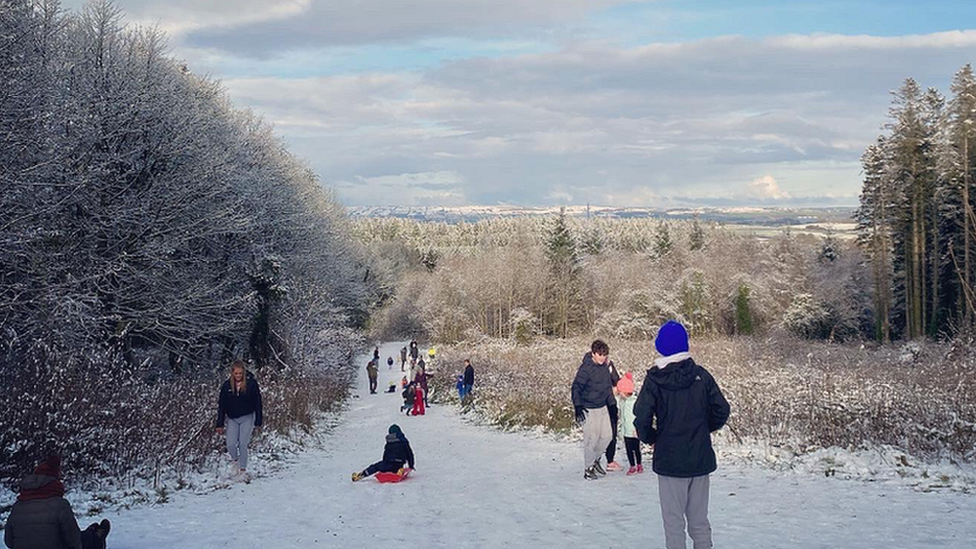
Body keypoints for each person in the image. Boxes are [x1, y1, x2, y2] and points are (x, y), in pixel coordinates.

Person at [634, 320, 730, 549]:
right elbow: (722, 410)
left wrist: (652, 438)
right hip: (699, 458)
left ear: (661, 347)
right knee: (699, 521)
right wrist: (703, 429)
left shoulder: (654, 379)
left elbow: (641, 417)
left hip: (670, 460)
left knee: (674, 523)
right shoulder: (701, 375)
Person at [4, 455, 112, 549]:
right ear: (54, 483)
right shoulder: (60, 505)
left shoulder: (17, 506)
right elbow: (74, 541)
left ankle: (92, 532)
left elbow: (9, 542)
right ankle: (96, 537)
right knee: (84, 539)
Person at [571, 339, 615, 480]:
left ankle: (596, 460)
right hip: (588, 408)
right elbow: (576, 387)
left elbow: (608, 387)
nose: (603, 357)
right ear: (593, 353)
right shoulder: (586, 368)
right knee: (592, 440)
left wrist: (612, 405)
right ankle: (588, 468)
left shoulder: (604, 367)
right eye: (600, 354)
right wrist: (577, 406)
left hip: (602, 407)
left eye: (605, 355)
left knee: (607, 436)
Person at [216, 360, 263, 483]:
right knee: (231, 444)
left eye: (240, 373)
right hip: (232, 418)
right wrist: (219, 423)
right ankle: (235, 461)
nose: (238, 376)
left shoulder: (251, 384)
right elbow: (222, 405)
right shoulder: (226, 386)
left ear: (244, 372)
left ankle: (243, 470)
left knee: (242, 443)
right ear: (232, 373)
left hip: (247, 416)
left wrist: (259, 419)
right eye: (236, 373)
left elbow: (258, 402)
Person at [616, 372, 642, 475]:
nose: (619, 394)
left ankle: (639, 464)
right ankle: (632, 465)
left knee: (636, 448)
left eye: (620, 392)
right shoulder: (622, 401)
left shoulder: (634, 402)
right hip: (626, 430)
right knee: (629, 449)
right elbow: (615, 400)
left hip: (634, 430)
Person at [605, 358, 623, 472]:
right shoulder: (590, 368)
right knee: (598, 434)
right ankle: (593, 461)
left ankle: (610, 460)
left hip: (611, 404)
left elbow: (617, 381)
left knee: (612, 432)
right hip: (598, 405)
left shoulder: (609, 365)